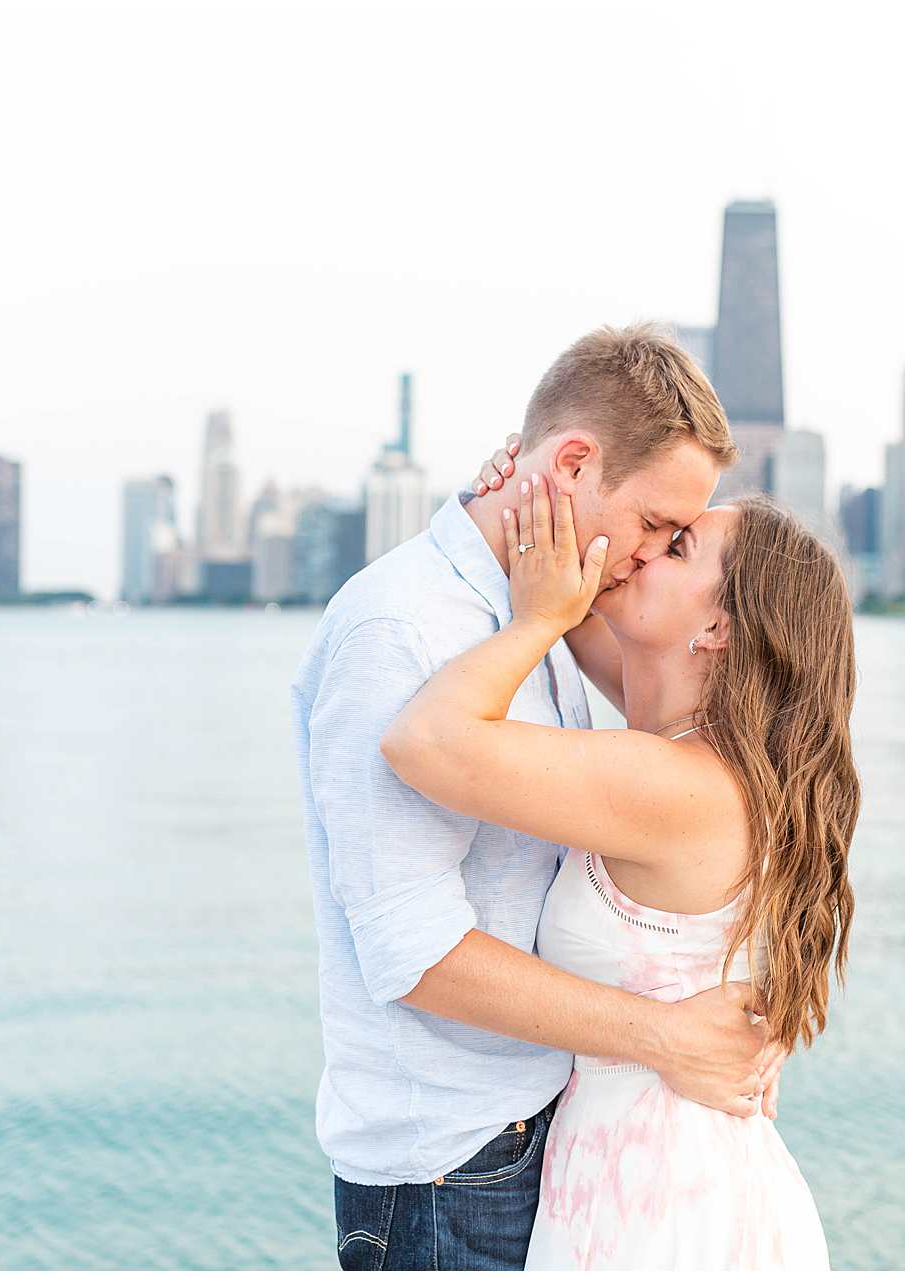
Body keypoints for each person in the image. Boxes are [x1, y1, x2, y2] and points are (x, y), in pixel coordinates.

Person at [291, 325, 786, 1271]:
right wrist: (666, 1037)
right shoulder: (401, 632)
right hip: (446, 1169)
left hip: (543, 1137)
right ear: (572, 463)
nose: (646, 558)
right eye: (653, 525)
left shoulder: (549, 610)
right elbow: (414, 952)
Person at [382, 458, 861, 1267]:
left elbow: (421, 741)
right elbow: (592, 610)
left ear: (718, 629)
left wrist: (530, 622)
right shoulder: (693, 741)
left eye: (675, 549)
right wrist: (529, 476)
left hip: (658, 1205)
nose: (642, 552)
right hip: (669, 1175)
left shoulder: (675, 784)